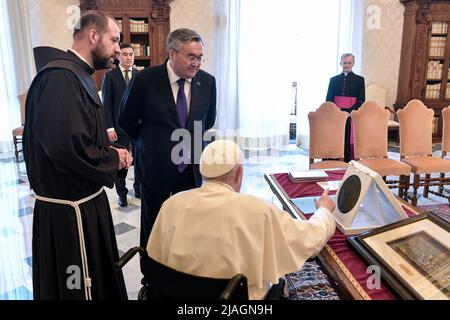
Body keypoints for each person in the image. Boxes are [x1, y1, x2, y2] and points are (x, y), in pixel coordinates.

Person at [23, 10, 132, 300]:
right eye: (114, 40)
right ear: (93, 35)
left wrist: (103, 140)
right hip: (69, 216)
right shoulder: (61, 77)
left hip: (84, 206)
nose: (118, 49)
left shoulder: (76, 73)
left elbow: (74, 133)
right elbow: (66, 147)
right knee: (75, 286)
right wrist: (115, 159)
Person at [147, 140, 336, 300]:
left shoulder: (171, 204)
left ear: (203, 172)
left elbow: (154, 257)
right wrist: (323, 212)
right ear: (239, 173)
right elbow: (310, 239)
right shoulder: (258, 210)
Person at [119, 28, 217, 249]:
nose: (197, 63)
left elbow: (207, 120)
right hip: (156, 167)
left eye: (200, 57)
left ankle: (184, 272)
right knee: (155, 226)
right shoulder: (145, 80)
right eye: (191, 57)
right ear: (172, 54)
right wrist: (150, 142)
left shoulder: (207, 82)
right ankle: (151, 275)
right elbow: (126, 120)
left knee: (188, 226)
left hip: (190, 169)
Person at [102, 43, 140, 207]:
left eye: (131, 54)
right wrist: (109, 127)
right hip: (118, 128)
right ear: (119, 57)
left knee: (139, 160)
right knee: (122, 161)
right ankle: (122, 194)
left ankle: (139, 189)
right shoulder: (110, 76)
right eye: (125, 54)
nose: (128, 57)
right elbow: (107, 104)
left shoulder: (140, 75)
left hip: (139, 127)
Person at [326, 53, 365, 162]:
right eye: (344, 63)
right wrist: (336, 112)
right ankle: (332, 162)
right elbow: (329, 99)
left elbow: (361, 100)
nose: (346, 65)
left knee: (347, 139)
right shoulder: (333, 80)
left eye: (349, 63)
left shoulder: (359, 80)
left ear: (353, 63)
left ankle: (347, 162)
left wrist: (349, 112)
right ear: (340, 63)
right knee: (335, 138)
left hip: (351, 115)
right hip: (335, 115)